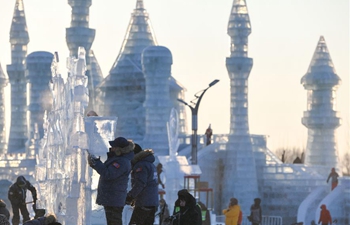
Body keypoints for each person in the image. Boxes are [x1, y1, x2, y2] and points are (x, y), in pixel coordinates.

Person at [88, 137, 134, 225]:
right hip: (112, 198)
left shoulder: (122, 162)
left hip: (114, 199)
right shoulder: (119, 159)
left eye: (114, 147)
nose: (111, 149)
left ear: (120, 149)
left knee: (114, 222)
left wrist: (96, 163)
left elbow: (108, 174)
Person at [126, 143, 159, 225]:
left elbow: (140, 184)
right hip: (151, 202)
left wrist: (130, 196)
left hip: (144, 203)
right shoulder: (150, 164)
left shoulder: (141, 166)